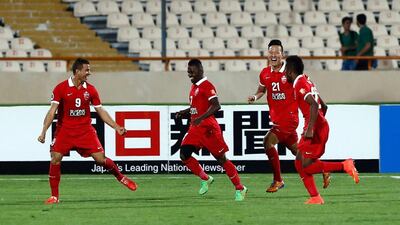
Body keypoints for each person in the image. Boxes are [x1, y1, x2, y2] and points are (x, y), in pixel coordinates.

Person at [37, 58, 137, 204]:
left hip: (85, 131)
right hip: (64, 131)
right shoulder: (61, 88)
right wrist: (43, 132)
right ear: (77, 71)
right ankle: (54, 196)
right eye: (86, 70)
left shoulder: (90, 89)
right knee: (55, 157)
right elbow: (52, 111)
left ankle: (121, 177)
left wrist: (116, 127)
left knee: (101, 159)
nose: (89, 73)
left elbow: (100, 111)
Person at [247, 39, 330, 193]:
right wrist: (255, 96)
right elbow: (261, 90)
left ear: (282, 55)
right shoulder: (265, 73)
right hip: (277, 119)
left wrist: (320, 105)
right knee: (298, 152)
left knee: (267, 142)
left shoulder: (291, 73)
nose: (273, 55)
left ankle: (278, 180)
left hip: (289, 119)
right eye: (270, 52)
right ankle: (323, 169)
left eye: (276, 53)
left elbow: (307, 87)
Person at [284, 55, 360, 204]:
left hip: (314, 129)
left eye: (286, 69)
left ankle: (345, 165)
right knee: (299, 162)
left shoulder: (299, 84)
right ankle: (315, 197)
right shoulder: (306, 79)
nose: (285, 72)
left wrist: (312, 129)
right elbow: (323, 106)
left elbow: (313, 104)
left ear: (290, 71)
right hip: (317, 126)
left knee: (306, 166)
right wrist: (318, 121)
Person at [176, 58, 247, 201]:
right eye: (188, 71)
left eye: (192, 70)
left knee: (221, 159)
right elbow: (196, 107)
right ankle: (205, 178)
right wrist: (185, 112)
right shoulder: (194, 87)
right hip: (196, 128)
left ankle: (240, 188)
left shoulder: (207, 86)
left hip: (209, 128)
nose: (189, 73)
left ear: (200, 70)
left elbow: (216, 106)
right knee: (184, 154)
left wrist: (201, 118)